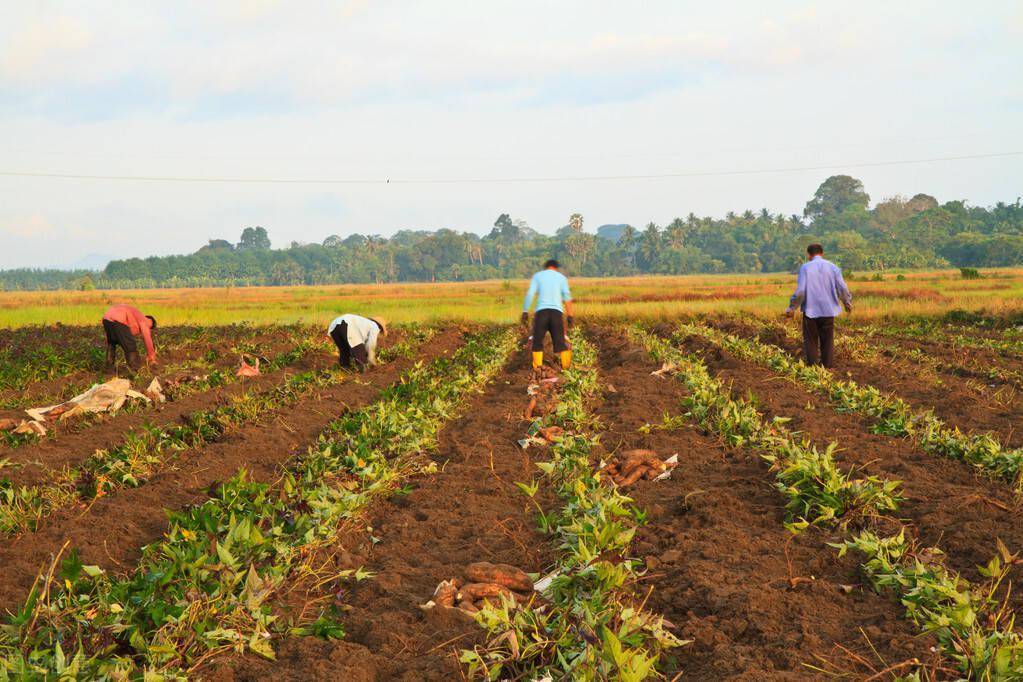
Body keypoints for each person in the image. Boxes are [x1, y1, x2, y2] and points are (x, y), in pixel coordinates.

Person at [784, 243, 852, 368]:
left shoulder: (805, 268)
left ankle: (813, 368)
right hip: (828, 310)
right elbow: (842, 287)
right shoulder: (833, 267)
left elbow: (801, 291)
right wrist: (847, 303)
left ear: (809, 255)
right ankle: (828, 367)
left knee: (811, 341)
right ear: (822, 253)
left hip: (811, 310)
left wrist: (792, 307)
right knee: (828, 340)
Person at [522, 259, 574, 370]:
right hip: (556, 313)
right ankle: (566, 369)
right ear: (556, 268)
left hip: (542, 313)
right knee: (561, 342)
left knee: (537, 342)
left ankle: (538, 369)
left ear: (546, 267)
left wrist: (525, 311)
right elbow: (567, 297)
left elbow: (530, 294)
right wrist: (570, 315)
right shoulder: (561, 278)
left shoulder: (538, 276)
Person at [102, 304, 157, 373]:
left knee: (112, 343)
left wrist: (109, 338)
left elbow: (126, 331)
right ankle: (135, 370)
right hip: (118, 319)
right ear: (151, 323)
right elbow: (147, 337)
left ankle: (109, 369)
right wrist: (151, 356)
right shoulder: (146, 320)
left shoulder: (135, 317)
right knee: (131, 346)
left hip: (106, 319)